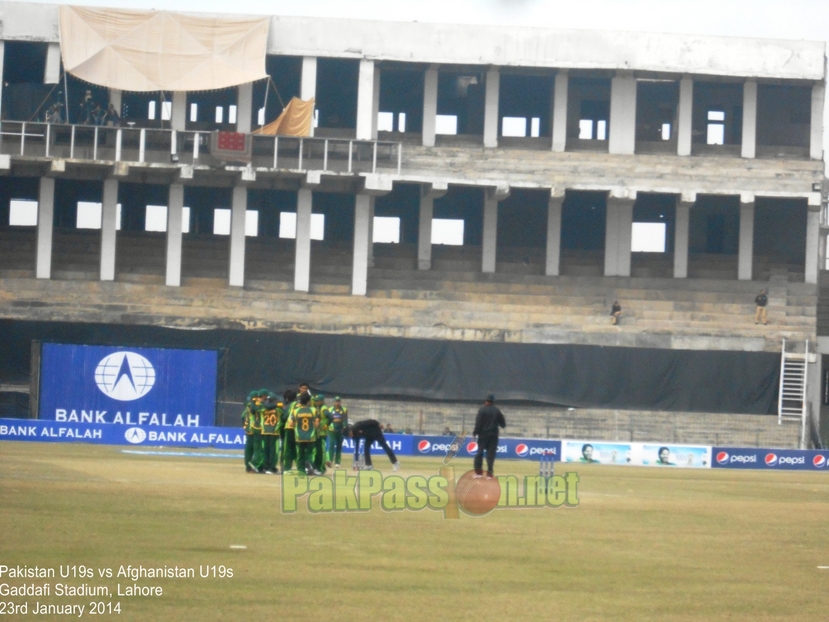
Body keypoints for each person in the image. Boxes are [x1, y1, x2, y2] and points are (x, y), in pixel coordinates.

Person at [472, 394, 506, 479]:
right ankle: (489, 473)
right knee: (491, 455)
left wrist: (475, 433)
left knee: (479, 453)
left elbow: (478, 423)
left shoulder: (482, 410)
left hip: (483, 435)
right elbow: (503, 424)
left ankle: (478, 472)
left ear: (486, 401)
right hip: (493, 435)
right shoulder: (497, 410)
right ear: (493, 401)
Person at [293, 393, 319, 475]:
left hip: (299, 436)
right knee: (310, 453)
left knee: (300, 454)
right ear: (308, 401)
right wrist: (316, 430)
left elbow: (291, 423)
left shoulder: (296, 410)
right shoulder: (313, 410)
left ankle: (301, 470)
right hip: (310, 436)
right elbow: (317, 423)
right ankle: (309, 466)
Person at [261, 392, 282, 475]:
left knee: (266, 450)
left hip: (265, 431)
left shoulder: (263, 409)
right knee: (273, 451)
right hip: (274, 432)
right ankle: (271, 468)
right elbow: (283, 416)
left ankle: (266, 467)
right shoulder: (278, 409)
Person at [327, 396, 348, 467]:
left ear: (340, 402)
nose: (337, 403)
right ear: (334, 402)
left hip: (340, 430)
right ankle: (330, 460)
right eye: (336, 401)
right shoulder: (330, 409)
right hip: (332, 430)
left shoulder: (344, 410)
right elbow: (328, 419)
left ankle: (337, 462)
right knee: (332, 444)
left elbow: (345, 419)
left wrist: (345, 427)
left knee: (339, 445)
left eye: (338, 401)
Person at [312, 394, 330, 473]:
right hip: (318, 433)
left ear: (322, 401)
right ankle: (316, 467)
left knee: (322, 451)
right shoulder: (317, 408)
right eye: (315, 401)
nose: (316, 402)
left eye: (318, 401)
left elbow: (331, 417)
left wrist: (326, 424)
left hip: (322, 433)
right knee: (317, 451)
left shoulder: (324, 408)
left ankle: (322, 468)